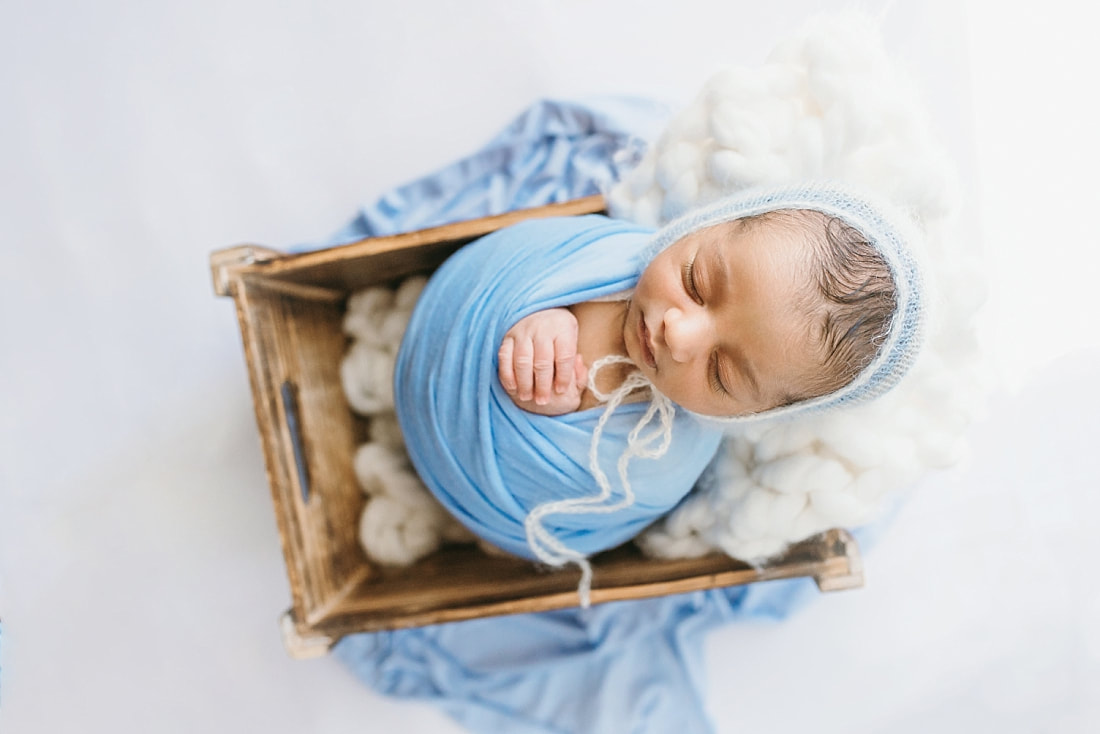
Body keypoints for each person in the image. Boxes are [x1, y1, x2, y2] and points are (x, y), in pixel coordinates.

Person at [394, 183, 923, 604]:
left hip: (465, 482)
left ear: (753, 413)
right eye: (696, 281)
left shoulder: (661, 462)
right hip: (436, 334)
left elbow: (578, 519)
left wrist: (546, 411)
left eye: (723, 373)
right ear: (706, 224)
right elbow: (516, 259)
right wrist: (536, 314)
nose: (680, 333)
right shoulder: (603, 252)